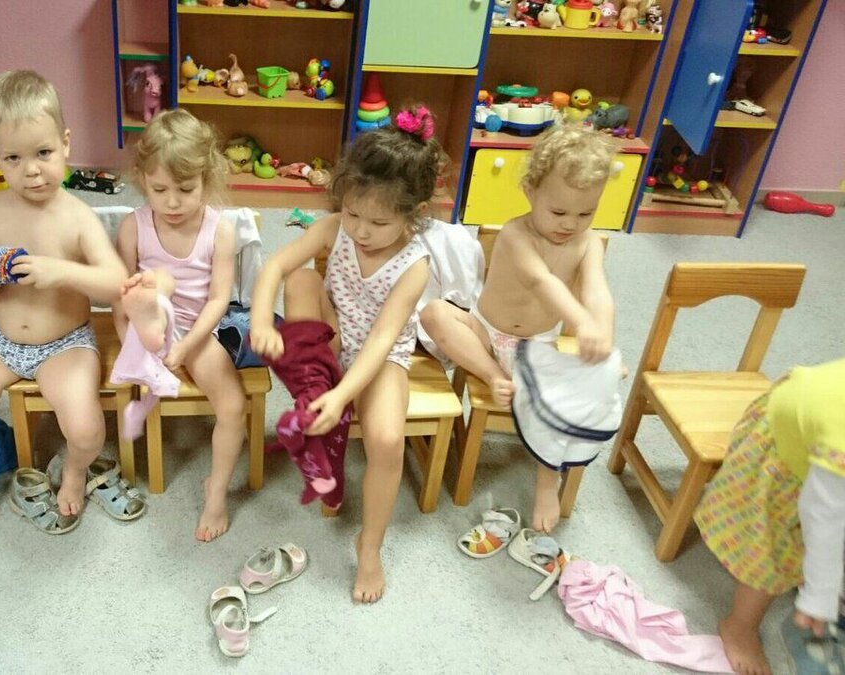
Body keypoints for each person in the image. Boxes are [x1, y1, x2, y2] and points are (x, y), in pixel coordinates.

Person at [250, 106, 439, 603]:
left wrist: (343, 397)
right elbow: (275, 266)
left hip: (381, 357)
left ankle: (370, 546)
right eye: (353, 213)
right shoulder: (335, 227)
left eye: (378, 221)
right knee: (301, 278)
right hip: (334, 336)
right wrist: (260, 319)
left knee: (386, 439)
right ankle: (312, 391)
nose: (360, 230)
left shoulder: (415, 264)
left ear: (414, 214)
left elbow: (381, 341)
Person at [0, 70, 126, 552]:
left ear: (65, 143)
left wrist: (62, 271)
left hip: (66, 344)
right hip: (3, 343)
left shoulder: (76, 216)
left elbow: (116, 282)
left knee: (85, 431)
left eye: (43, 153)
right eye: (13, 159)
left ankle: (75, 473)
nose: (32, 171)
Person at [418, 123, 616, 533]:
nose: (570, 224)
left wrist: (603, 335)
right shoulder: (515, 233)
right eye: (558, 212)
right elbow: (541, 281)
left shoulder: (589, 244)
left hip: (535, 347)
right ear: (530, 191)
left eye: (586, 213)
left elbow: (598, 293)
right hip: (483, 329)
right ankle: (493, 375)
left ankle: (546, 481)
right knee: (434, 313)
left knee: (558, 401)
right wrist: (581, 321)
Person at [113, 109, 242, 542]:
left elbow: (219, 299)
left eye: (186, 190)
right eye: (159, 189)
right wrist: (130, 346)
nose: (171, 202)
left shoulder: (220, 230)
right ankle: (149, 338)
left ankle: (216, 491)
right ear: (142, 180)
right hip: (148, 322)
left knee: (233, 407)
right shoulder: (133, 226)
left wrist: (185, 349)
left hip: (197, 328)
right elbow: (119, 298)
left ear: (207, 179)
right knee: (147, 289)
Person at [695, 359, 845, 675]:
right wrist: (820, 593)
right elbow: (823, 517)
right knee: (775, 550)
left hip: (806, 424)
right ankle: (739, 627)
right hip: (780, 461)